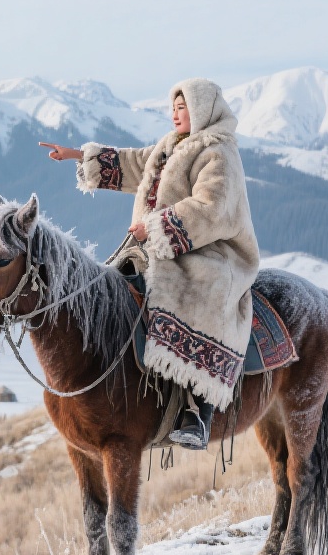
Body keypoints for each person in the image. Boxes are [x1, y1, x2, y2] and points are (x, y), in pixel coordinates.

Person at [39, 78, 259, 449]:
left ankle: (196, 409)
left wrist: (158, 227)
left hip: (209, 252)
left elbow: (213, 208)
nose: (175, 115)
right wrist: (78, 156)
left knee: (197, 299)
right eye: (173, 108)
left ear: (203, 109)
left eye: (182, 107)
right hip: (155, 247)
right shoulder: (169, 146)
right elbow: (133, 163)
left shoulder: (218, 152)